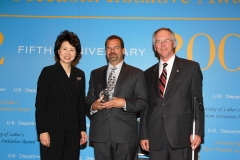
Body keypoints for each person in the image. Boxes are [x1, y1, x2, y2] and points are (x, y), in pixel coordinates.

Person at [140, 27, 204, 160]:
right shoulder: (147, 74)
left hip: (182, 135)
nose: (162, 45)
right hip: (155, 137)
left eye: (166, 40)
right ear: (154, 47)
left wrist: (197, 132)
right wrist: (144, 135)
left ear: (174, 43)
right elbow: (146, 107)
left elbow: (197, 102)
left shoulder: (191, 68)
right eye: (158, 41)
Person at [85, 35, 148, 160]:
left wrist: (123, 103)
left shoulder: (136, 74)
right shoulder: (95, 73)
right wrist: (94, 105)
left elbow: (142, 102)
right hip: (100, 135)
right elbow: (88, 99)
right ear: (105, 51)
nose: (112, 51)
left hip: (125, 136)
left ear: (123, 50)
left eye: (116, 47)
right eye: (109, 48)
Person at [35, 30, 87, 160]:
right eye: (64, 49)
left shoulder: (80, 74)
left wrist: (82, 129)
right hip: (52, 130)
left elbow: (80, 105)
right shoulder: (48, 72)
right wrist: (43, 131)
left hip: (73, 132)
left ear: (77, 53)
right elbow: (41, 105)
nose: (68, 53)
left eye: (72, 49)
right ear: (58, 51)